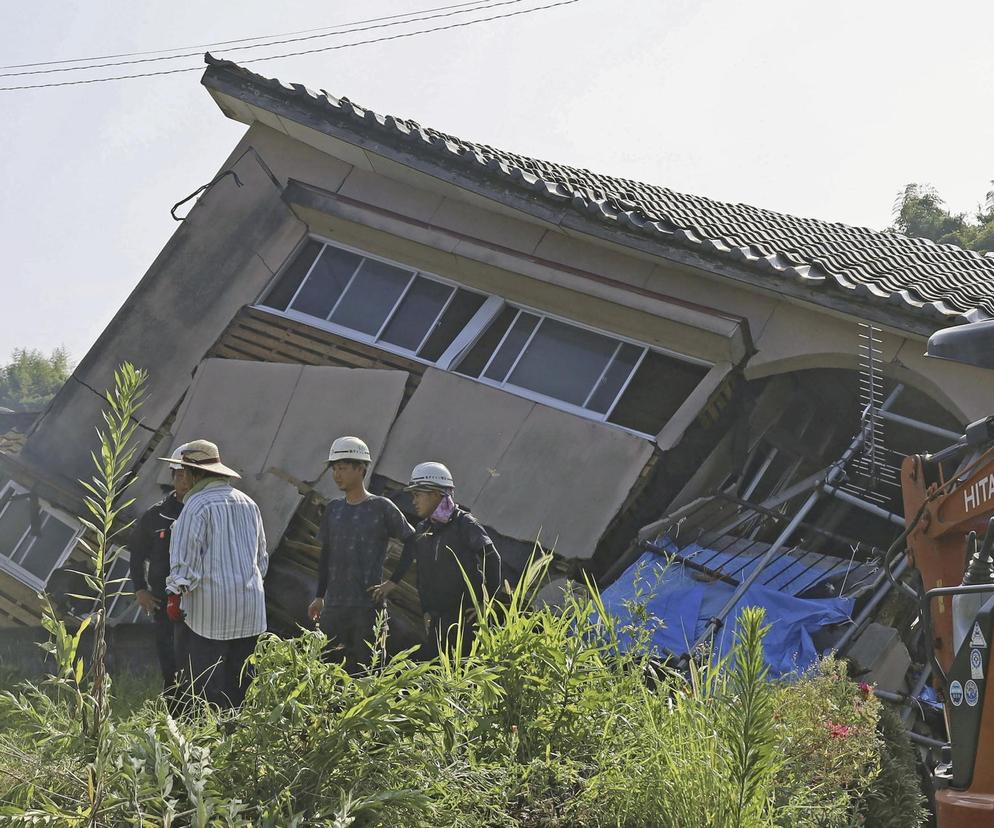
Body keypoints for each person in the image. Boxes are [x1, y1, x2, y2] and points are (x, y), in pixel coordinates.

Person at [162, 439, 268, 710]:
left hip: (210, 613)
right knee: (242, 686)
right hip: (250, 610)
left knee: (205, 687)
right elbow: (262, 561)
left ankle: (211, 744)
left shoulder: (197, 505)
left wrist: (175, 595)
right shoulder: (249, 503)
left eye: (184, 471)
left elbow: (184, 566)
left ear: (194, 473)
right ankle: (239, 741)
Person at [307, 436, 414, 673]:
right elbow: (326, 555)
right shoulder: (334, 509)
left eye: (343, 468)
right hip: (334, 606)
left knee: (369, 672)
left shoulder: (381, 507)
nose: (337, 475)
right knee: (323, 672)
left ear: (361, 469)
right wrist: (319, 596)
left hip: (367, 608)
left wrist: (392, 582)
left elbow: (413, 541)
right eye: (334, 469)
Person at [373, 462, 501, 658]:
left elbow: (492, 558)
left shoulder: (464, 524)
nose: (413, 501)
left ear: (435, 494)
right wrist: (425, 610)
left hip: (465, 620)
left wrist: (487, 602)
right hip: (437, 620)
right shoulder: (424, 530)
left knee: (463, 672)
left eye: (418, 495)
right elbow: (419, 569)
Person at [127, 443, 190, 707]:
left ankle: (201, 713)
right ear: (172, 477)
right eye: (179, 474)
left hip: (199, 600)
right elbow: (136, 552)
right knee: (169, 658)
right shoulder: (157, 514)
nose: (184, 480)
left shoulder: (207, 509)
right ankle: (175, 714)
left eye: (189, 474)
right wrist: (140, 589)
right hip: (164, 601)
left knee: (197, 659)